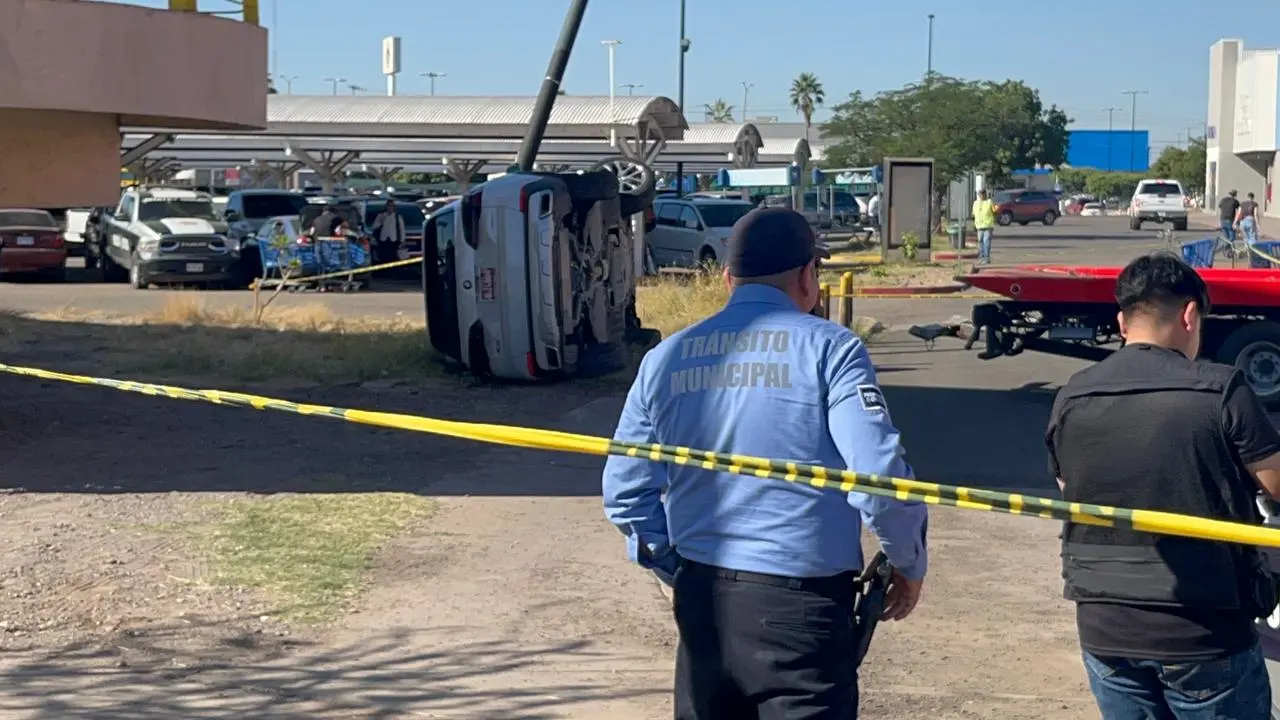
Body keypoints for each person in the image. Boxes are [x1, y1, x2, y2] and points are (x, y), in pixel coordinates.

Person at [602, 207, 929, 720]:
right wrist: (907, 561)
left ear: (729, 279)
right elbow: (877, 477)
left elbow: (625, 491)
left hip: (704, 601)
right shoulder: (832, 351)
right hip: (801, 613)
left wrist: (675, 567)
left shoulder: (665, 358)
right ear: (808, 277)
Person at [1045, 251, 1280, 720]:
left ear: (1121, 321)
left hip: (1104, 629)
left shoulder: (1073, 394)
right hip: (1202, 632)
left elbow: (1070, 484)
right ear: (1191, 314)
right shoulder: (1220, 388)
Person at [372, 199, 405, 265]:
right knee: (383, 258)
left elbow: (402, 230)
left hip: (393, 241)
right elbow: (374, 227)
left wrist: (402, 241)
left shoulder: (397, 217)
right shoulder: (380, 216)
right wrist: (380, 222)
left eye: (392, 206)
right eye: (389, 206)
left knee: (393, 259)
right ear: (386, 207)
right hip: (383, 240)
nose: (390, 208)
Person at [972, 189, 996, 264]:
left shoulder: (989, 202)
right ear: (978, 195)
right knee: (980, 242)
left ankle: (986, 258)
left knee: (986, 242)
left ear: (985, 194)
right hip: (979, 226)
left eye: (983, 194)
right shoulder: (975, 203)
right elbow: (973, 213)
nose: (981, 195)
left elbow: (994, 211)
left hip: (988, 225)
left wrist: (996, 208)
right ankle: (981, 258)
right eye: (980, 194)